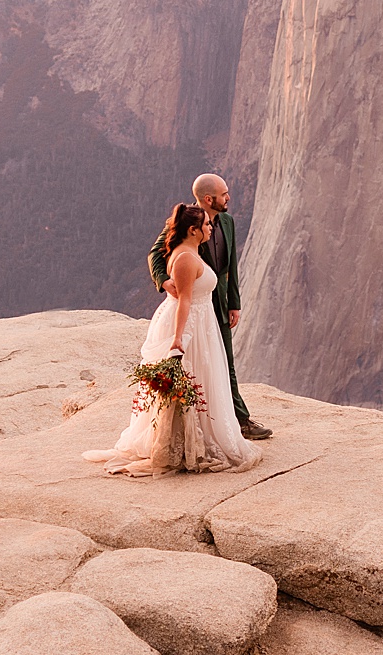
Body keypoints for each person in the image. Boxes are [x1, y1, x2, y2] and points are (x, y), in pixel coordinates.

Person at [86, 203, 261, 476]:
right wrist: (178, 340)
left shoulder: (190, 251)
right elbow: (184, 301)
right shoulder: (186, 259)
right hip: (190, 325)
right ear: (193, 231)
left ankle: (193, 438)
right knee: (194, 379)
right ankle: (186, 444)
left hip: (200, 322)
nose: (210, 228)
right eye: (205, 226)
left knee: (200, 381)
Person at [148, 173, 272, 440]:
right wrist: (164, 281)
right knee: (196, 364)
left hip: (219, 301)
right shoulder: (186, 222)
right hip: (195, 303)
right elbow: (156, 253)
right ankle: (213, 424)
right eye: (223, 194)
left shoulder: (226, 222)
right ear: (208, 199)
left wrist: (234, 303)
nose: (228, 197)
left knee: (224, 361)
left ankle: (236, 419)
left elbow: (232, 266)